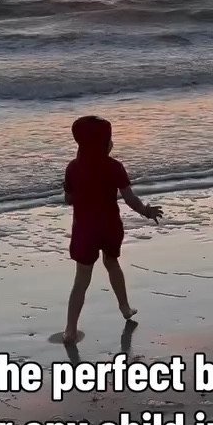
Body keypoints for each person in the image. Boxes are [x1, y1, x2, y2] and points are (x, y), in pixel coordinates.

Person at [62, 116, 163, 343]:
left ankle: (70, 329)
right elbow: (129, 198)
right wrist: (146, 211)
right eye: (110, 138)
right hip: (109, 227)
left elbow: (68, 199)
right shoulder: (114, 166)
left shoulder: (73, 167)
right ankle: (125, 307)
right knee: (112, 263)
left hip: (84, 231)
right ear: (103, 142)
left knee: (81, 280)